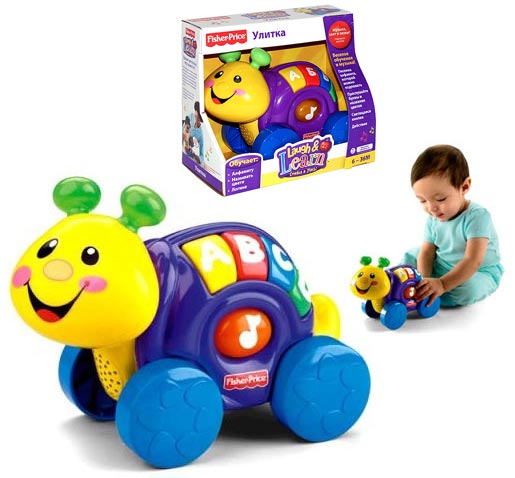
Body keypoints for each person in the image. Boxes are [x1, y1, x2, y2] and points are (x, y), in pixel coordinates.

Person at [403, 144, 503, 307]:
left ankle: (438, 291)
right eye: (423, 201)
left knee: (467, 290)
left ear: (464, 187)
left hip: (479, 272)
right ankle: (413, 289)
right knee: (411, 256)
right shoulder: (433, 217)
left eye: (440, 199)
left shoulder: (478, 216)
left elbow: (473, 261)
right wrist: (423, 280)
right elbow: (427, 252)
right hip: (444, 263)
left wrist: (442, 284)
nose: (431, 208)